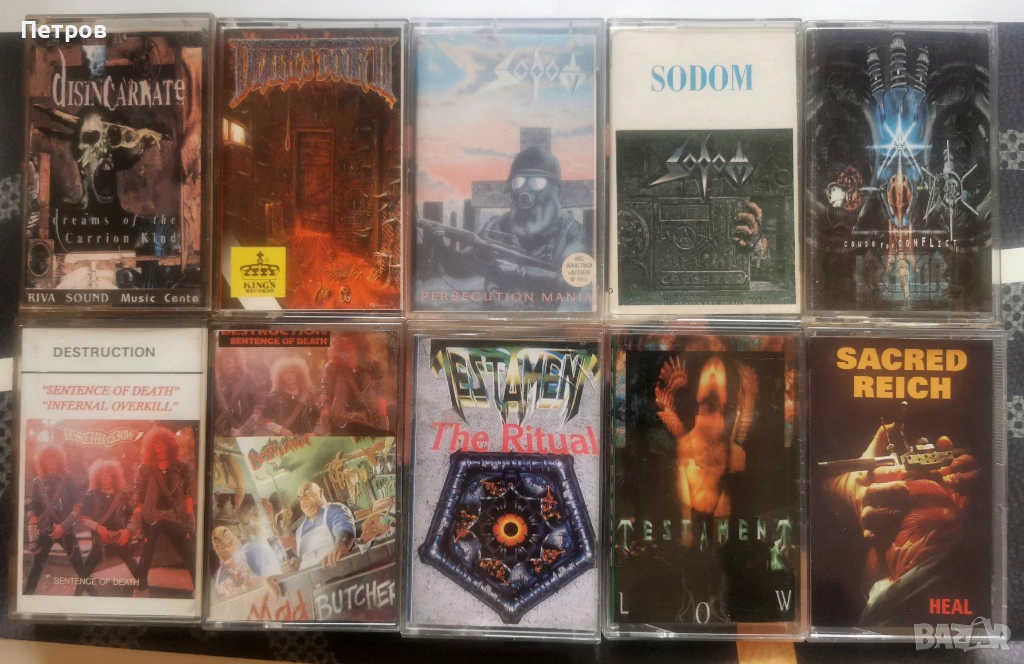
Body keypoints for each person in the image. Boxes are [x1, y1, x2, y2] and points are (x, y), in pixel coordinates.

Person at [426, 146, 589, 310]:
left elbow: (573, 282)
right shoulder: (496, 228)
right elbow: (461, 269)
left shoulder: (571, 231)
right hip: (495, 320)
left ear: (554, 189)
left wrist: (519, 271)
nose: (525, 191)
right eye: (519, 182)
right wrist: (441, 247)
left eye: (536, 182)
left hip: (544, 322)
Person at [133, 426, 196, 597]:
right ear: (151, 447)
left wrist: (191, 519)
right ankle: (141, 589)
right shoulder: (144, 469)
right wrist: (138, 526)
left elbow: (188, 495)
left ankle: (198, 588)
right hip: (151, 516)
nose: (159, 446)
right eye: (156, 443)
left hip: (175, 516)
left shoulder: (181, 467)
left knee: (189, 552)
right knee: (146, 555)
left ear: (169, 445)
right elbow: (137, 498)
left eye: (162, 442)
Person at [24, 443, 86, 594]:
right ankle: (26, 598)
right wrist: (32, 517)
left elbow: (78, 504)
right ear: (42, 461)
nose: (51, 462)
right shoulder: (37, 482)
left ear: (59, 460)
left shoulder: (68, 478)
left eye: (53, 458)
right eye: (47, 459)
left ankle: (95, 598)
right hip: (45, 531)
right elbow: (33, 504)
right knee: (35, 570)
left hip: (66, 531)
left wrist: (63, 526)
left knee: (81, 569)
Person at [77, 458, 141, 596]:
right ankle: (76, 601)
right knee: (83, 575)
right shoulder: (91, 495)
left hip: (121, 540)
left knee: (139, 574)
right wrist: (98, 527)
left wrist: (128, 530)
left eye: (108, 473)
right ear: (97, 476)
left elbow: (134, 516)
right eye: (102, 473)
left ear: (114, 475)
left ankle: (148, 597)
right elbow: (83, 518)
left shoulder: (123, 495)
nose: (105, 476)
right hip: (100, 541)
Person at [319, 336, 390, 436]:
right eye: (346, 348)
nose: (351, 351)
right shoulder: (332, 367)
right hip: (340, 424)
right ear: (340, 349)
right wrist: (325, 428)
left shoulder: (373, 365)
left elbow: (381, 394)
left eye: (354, 347)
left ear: (361, 348)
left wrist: (384, 425)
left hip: (369, 422)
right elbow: (326, 395)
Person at [211, 526, 290, 598]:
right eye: (217, 541)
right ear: (215, 549)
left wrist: (256, 583)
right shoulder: (218, 577)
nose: (223, 541)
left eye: (225, 534)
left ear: (235, 535)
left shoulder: (253, 550)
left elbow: (278, 578)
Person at [294, 481, 355, 570]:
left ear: (321, 493)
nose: (304, 500)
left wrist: (340, 549)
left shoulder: (334, 510)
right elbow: (302, 559)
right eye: (301, 498)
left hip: (333, 569)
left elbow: (345, 532)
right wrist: (295, 565)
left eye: (308, 494)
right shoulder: (299, 531)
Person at [214, 348, 266, 436]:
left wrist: (244, 430)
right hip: (223, 432)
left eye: (230, 356)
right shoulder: (216, 382)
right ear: (220, 362)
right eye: (224, 357)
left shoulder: (247, 378)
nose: (227, 359)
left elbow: (258, 405)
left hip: (246, 430)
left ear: (236, 359)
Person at [263, 356, 319, 436]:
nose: (289, 375)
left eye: (292, 372)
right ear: (280, 377)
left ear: (299, 374)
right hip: (283, 440)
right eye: (284, 373)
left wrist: (315, 433)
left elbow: (319, 418)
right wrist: (281, 430)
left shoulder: (309, 396)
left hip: (307, 439)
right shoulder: (274, 397)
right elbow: (266, 421)